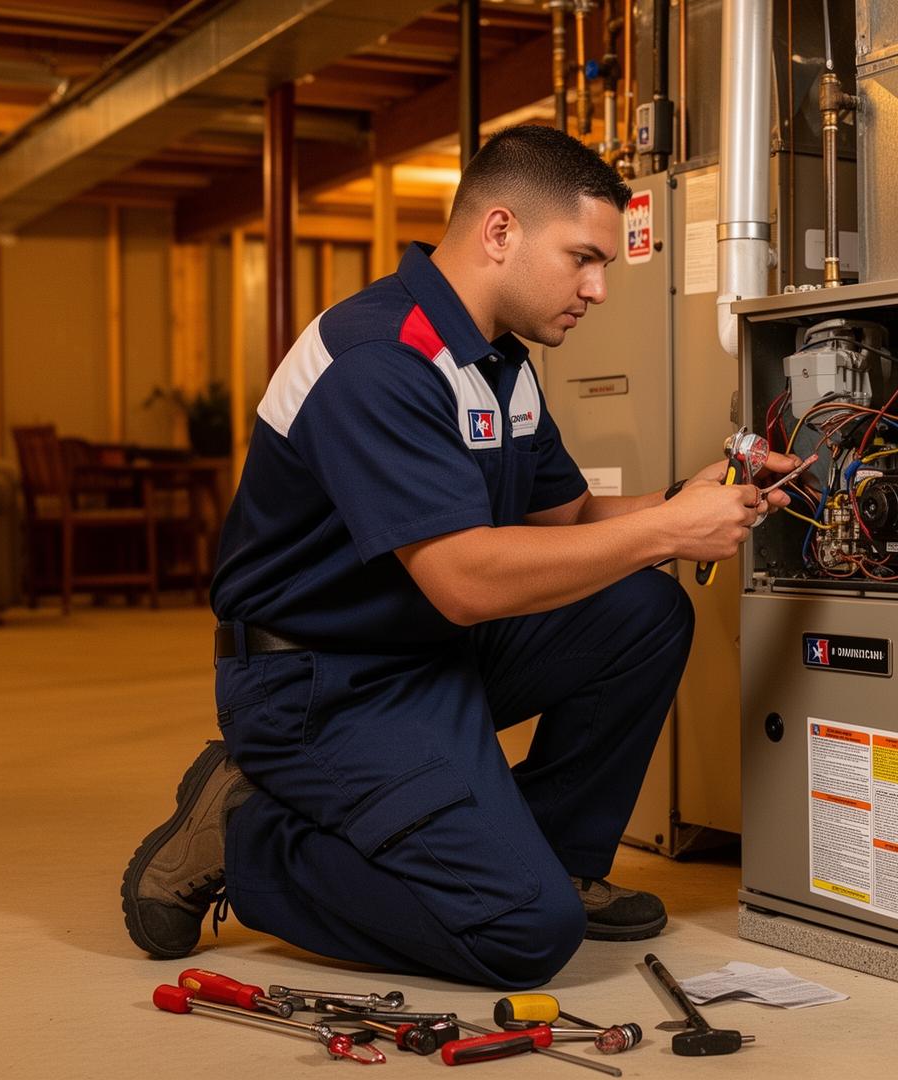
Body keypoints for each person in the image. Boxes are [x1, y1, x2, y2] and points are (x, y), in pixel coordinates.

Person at [120, 124, 796, 989]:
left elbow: (569, 518)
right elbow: (465, 582)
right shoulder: (379, 358)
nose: (597, 289)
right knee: (521, 936)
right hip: (318, 683)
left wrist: (685, 498)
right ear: (500, 231)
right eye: (583, 259)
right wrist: (669, 534)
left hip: (426, 649)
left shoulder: (499, 361)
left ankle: (557, 859)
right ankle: (249, 835)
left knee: (644, 610)